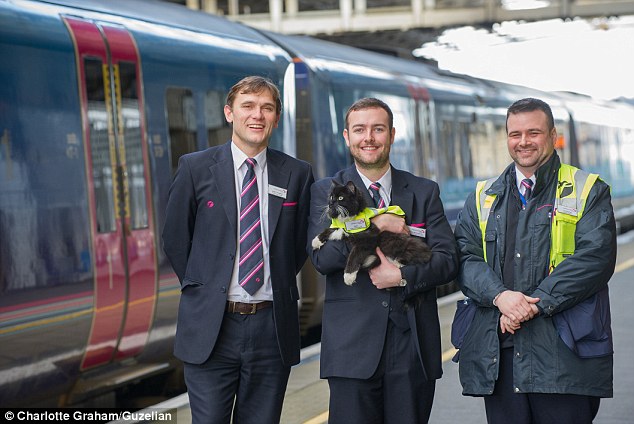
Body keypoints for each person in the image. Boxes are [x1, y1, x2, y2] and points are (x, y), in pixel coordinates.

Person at [453, 97, 616, 424]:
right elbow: (465, 257)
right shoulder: (483, 196)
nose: (523, 142)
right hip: (500, 351)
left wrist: (530, 305)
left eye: (533, 133)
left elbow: (594, 259)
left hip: (564, 352)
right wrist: (501, 297)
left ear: (553, 135)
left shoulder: (587, 190)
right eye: (515, 134)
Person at [162, 76, 314, 424]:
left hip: (271, 327)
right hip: (211, 328)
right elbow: (174, 239)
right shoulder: (195, 167)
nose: (256, 115)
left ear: (276, 118)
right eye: (248, 106)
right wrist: (204, 287)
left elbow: (296, 248)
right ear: (229, 113)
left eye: (267, 108)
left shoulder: (297, 174)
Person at [307, 97, 459, 423]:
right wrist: (373, 225)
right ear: (347, 137)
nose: (369, 138)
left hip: (412, 347)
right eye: (359, 130)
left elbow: (448, 260)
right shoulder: (326, 191)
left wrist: (402, 278)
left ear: (391, 134)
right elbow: (323, 259)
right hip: (351, 350)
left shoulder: (423, 191)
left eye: (378, 129)